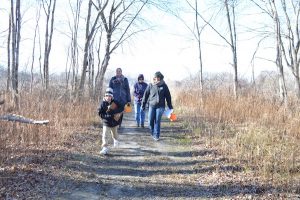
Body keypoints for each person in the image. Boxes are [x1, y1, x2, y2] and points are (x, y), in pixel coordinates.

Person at [141, 71, 173, 141]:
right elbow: (145, 95)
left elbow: (168, 96)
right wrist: (143, 105)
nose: (155, 78)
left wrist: (170, 106)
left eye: (157, 77)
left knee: (157, 120)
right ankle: (153, 132)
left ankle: (157, 135)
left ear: (160, 78)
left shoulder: (164, 85)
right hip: (152, 105)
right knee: (150, 120)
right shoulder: (151, 85)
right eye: (155, 77)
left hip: (160, 106)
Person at [98, 87, 124, 155]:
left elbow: (122, 108)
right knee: (105, 135)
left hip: (114, 122)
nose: (108, 97)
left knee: (114, 134)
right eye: (107, 96)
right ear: (105, 96)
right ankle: (105, 148)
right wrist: (104, 116)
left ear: (112, 96)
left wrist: (115, 111)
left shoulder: (115, 102)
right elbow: (100, 112)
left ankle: (115, 140)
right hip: (106, 122)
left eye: (110, 96)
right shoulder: (102, 103)